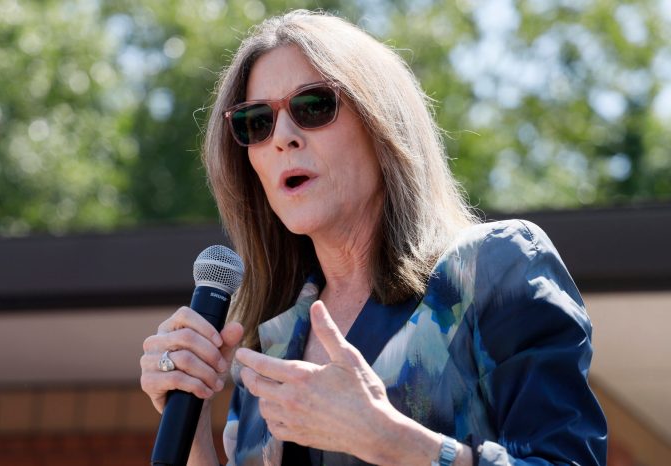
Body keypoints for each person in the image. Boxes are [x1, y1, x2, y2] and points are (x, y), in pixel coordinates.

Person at [140, 10, 607, 466]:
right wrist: (194, 420)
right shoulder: (267, 345)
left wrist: (389, 441)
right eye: (256, 122)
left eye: (313, 106)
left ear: (381, 123)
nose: (282, 136)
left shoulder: (495, 267)